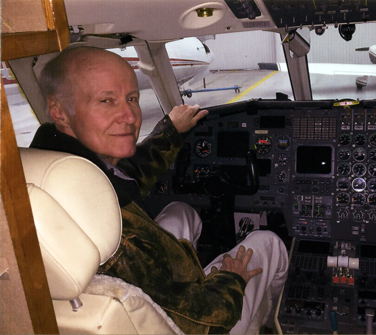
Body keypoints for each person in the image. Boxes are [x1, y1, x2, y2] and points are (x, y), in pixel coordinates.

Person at [30, 46, 288, 334]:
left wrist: (170, 132)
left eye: (131, 99)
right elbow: (205, 319)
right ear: (59, 111)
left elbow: (126, 175)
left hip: (116, 302)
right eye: (106, 101)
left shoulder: (57, 171)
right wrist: (233, 278)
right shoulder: (123, 240)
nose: (129, 116)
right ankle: (264, 322)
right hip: (193, 323)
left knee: (182, 211)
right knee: (268, 242)